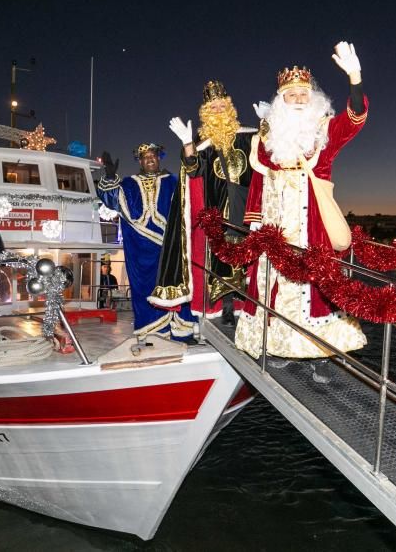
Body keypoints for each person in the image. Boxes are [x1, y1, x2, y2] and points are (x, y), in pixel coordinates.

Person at [234, 41, 368, 380]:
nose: (297, 100)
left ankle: (321, 353)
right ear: (280, 101)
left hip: (312, 225)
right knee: (274, 287)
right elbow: (258, 184)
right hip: (275, 224)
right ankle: (280, 346)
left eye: (303, 95)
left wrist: (355, 79)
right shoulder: (266, 140)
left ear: (314, 99)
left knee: (315, 286)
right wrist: (254, 223)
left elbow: (353, 121)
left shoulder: (324, 132)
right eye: (291, 95)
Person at [149, 80, 255, 325]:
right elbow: (193, 171)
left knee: (246, 261)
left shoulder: (249, 138)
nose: (218, 109)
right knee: (217, 263)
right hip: (216, 213)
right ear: (206, 112)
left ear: (229, 108)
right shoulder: (201, 144)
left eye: (221, 105)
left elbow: (268, 159)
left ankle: (246, 313)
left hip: (247, 211)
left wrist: (267, 125)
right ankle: (219, 312)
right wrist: (188, 144)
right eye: (213, 106)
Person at [97, 144, 197, 340]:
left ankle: (180, 329)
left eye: (153, 156)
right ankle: (152, 330)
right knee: (144, 287)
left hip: (169, 246)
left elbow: (188, 202)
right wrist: (109, 177)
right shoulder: (129, 183)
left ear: (159, 159)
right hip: (140, 248)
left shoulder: (172, 182)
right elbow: (111, 198)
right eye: (145, 157)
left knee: (176, 284)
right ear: (140, 162)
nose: (150, 159)